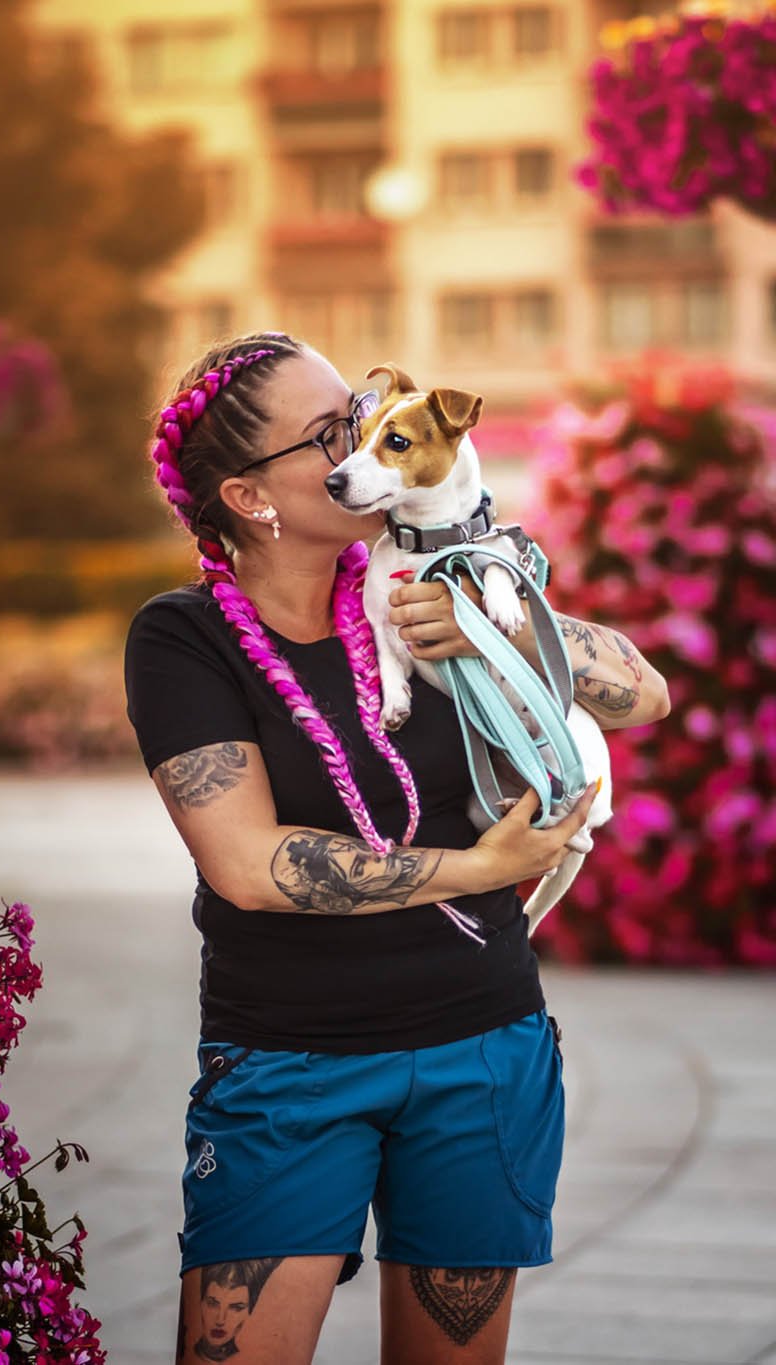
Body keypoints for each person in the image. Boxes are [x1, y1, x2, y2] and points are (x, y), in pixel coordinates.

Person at [124, 332, 670, 1365]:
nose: (366, 444)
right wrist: (479, 871)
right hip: (289, 1069)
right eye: (333, 433)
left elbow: (643, 695)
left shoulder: (425, 587)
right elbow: (246, 864)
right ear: (251, 497)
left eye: (366, 417)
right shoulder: (183, 638)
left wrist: (501, 628)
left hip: (483, 1052)